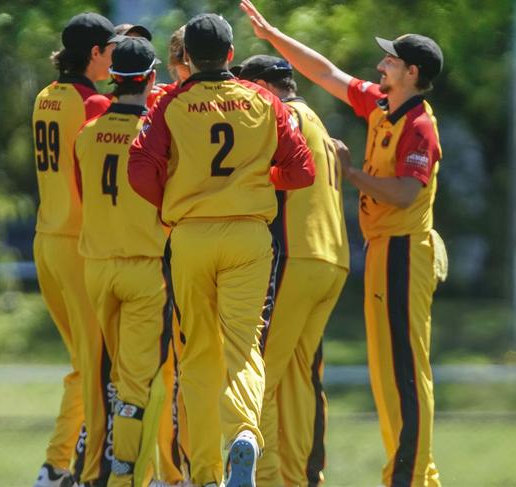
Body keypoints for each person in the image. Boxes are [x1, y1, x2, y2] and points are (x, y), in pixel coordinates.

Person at [241, 1, 447, 486]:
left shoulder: (419, 124)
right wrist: (273, 36)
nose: (380, 66)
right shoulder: (382, 104)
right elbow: (326, 72)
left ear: (411, 72)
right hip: (380, 251)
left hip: (404, 252)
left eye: (391, 62)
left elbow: (405, 192)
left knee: (405, 372)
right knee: (384, 373)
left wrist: (351, 172)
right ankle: (404, 471)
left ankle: (415, 477)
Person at [128, 13, 315, 487]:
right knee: (244, 349)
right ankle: (246, 437)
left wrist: (174, 200)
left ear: (186, 57)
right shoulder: (266, 101)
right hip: (249, 237)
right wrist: (258, 181)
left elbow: (139, 168)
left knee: (196, 355)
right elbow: (301, 171)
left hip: (190, 236)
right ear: (231, 54)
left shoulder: (171, 101)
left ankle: (208, 472)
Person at [238, 54, 349, 487]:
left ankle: (262, 480)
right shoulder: (315, 118)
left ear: (264, 85)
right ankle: (300, 478)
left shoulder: (276, 115)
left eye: (248, 88)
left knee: (258, 373)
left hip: (294, 257)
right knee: (299, 376)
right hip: (332, 259)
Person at [74, 37, 172, 487]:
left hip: (97, 267)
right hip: (144, 269)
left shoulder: (87, 134)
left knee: (113, 376)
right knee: (136, 384)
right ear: (151, 79)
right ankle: (125, 477)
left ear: (114, 78)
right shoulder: (156, 134)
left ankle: (116, 470)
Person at [31, 12, 122, 487]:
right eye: (111, 49)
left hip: (46, 240)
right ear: (95, 53)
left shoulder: (45, 96)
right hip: (77, 245)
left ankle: (56, 463)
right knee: (99, 368)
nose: (115, 57)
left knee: (83, 366)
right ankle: (79, 471)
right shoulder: (96, 104)